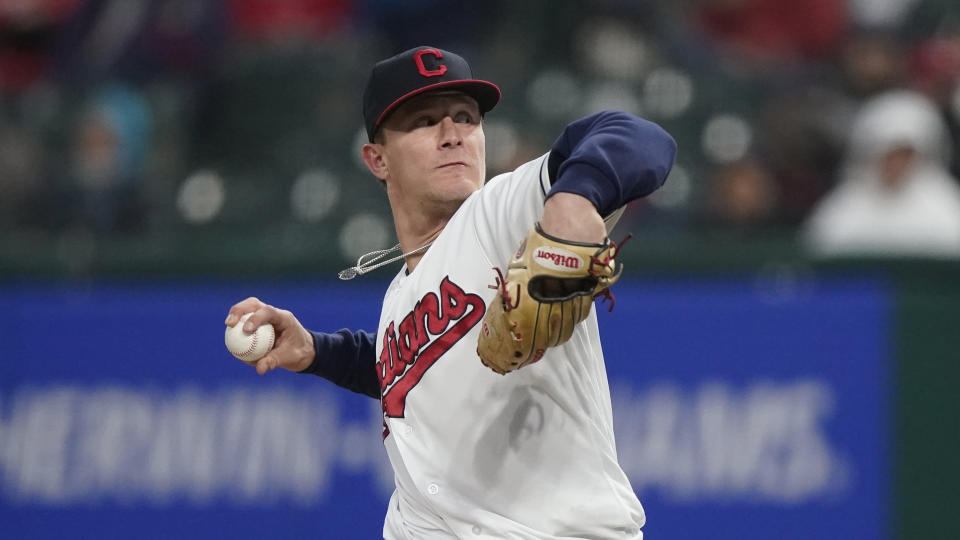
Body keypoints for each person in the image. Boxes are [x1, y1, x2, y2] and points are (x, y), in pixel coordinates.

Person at [224, 46, 677, 539]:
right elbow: (413, 375)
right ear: (377, 159)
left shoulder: (503, 211)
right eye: (424, 122)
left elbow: (641, 137)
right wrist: (316, 351)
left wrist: (574, 196)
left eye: (466, 118)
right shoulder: (401, 292)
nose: (452, 135)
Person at [803, 89, 960, 257]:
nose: (896, 164)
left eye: (905, 155)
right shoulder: (846, 203)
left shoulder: (945, 204)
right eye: (889, 154)